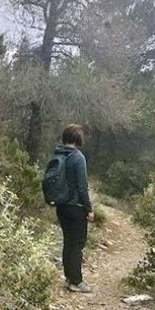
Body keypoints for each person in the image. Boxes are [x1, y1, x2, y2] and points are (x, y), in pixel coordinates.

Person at [53, 124, 94, 293]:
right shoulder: (78, 157)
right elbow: (82, 186)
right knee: (77, 243)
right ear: (78, 139)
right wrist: (89, 208)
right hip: (76, 207)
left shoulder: (58, 154)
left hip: (61, 206)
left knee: (68, 241)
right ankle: (76, 281)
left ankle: (69, 278)